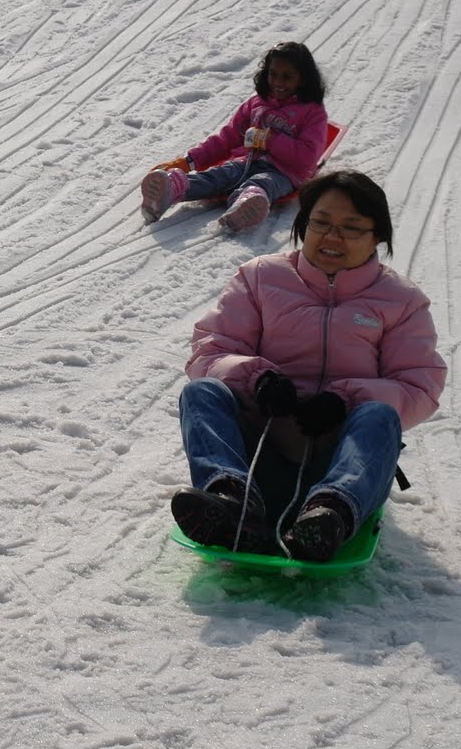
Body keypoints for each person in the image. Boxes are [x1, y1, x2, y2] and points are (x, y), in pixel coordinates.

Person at [170, 170, 446, 561]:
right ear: (303, 224)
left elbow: (419, 386)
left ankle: (329, 516)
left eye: (351, 228)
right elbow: (211, 351)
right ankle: (232, 502)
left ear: (377, 237)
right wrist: (257, 378)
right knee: (201, 392)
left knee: (381, 417)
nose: (332, 237)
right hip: (260, 442)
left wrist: (344, 401)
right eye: (321, 223)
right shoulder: (260, 278)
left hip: (342, 454)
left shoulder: (400, 301)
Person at [139, 41, 329, 232]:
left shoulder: (313, 113)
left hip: (284, 172)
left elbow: (308, 156)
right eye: (273, 74)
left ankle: (247, 205)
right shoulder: (257, 103)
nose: (278, 82)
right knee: (219, 175)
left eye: (287, 76)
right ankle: (170, 190)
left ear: (303, 79)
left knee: (263, 183)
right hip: (246, 161)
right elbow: (227, 138)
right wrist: (188, 162)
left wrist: (270, 140)